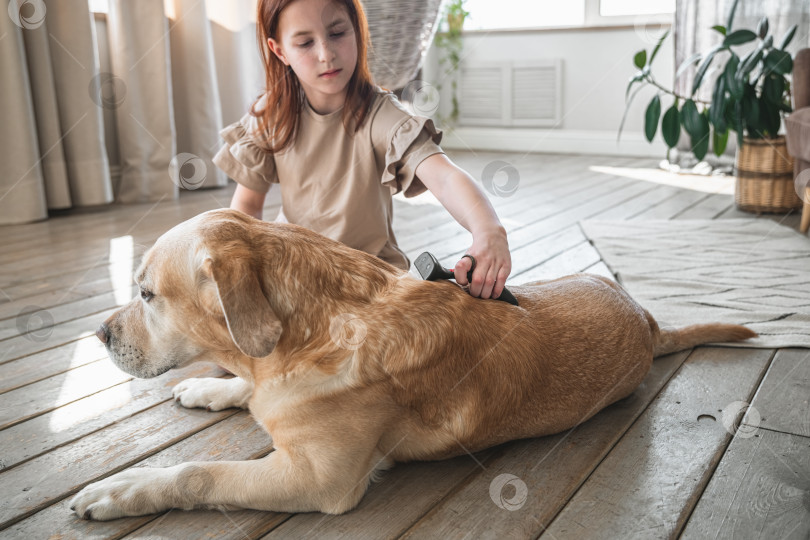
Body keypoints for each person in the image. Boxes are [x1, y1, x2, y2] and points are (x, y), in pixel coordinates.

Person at [213, 0, 512, 300]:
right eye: (305, 42)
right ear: (280, 51)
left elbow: (445, 178)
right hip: (297, 274)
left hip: (372, 280)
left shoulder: (382, 115)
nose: (325, 54)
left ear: (357, 31)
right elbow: (246, 209)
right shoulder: (271, 116)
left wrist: (488, 229)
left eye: (338, 33)